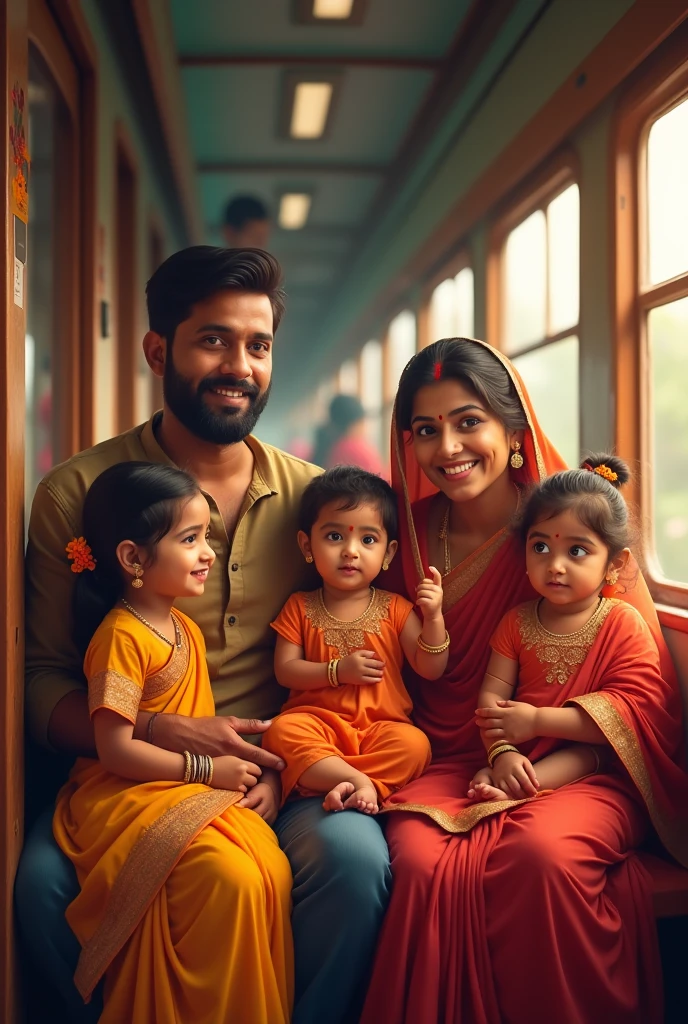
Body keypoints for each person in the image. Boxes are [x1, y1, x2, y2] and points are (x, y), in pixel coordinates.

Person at [16, 247, 391, 1024]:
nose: (240, 366)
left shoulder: (311, 500)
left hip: (277, 769)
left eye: (258, 346)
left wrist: (286, 766)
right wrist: (157, 732)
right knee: (39, 890)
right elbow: (44, 678)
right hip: (122, 773)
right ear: (159, 350)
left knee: (355, 866)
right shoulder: (79, 495)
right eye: (214, 340)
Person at [361, 337, 688, 1024]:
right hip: (443, 760)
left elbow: (641, 695)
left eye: (467, 421)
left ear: (513, 431)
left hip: (585, 767)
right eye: (426, 429)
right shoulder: (400, 541)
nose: (447, 446)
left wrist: (535, 743)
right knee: (420, 867)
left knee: (540, 857)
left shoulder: (569, 529)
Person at [54, 462, 292, 1023]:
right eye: (190, 539)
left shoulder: (179, 626)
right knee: (229, 878)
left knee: (268, 869)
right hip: (123, 792)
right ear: (133, 559)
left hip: (175, 786)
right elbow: (113, 751)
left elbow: (201, 725)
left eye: (206, 535)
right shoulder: (121, 636)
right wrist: (211, 775)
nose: (207, 551)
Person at [263, 467, 447, 815]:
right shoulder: (299, 606)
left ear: (389, 553)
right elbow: (286, 671)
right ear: (307, 544)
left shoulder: (396, 609)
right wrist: (336, 671)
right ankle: (364, 786)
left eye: (367, 540)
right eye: (334, 537)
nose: (351, 551)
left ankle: (339, 782)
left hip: (381, 730)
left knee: (415, 745)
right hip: (317, 725)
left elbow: (431, 666)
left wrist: (434, 617)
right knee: (281, 732)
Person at [469, 453, 639, 802]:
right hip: (520, 747)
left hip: (591, 757)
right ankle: (508, 778)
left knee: (582, 755)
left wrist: (537, 721)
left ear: (614, 563)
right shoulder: (516, 621)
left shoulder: (620, 623)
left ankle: (513, 790)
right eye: (541, 547)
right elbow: (492, 697)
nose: (555, 566)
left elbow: (625, 718)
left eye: (576, 550)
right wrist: (502, 752)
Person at [312, 394, 385, 476]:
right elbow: (381, 481)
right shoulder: (356, 450)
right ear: (354, 423)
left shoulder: (330, 447)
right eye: (363, 421)